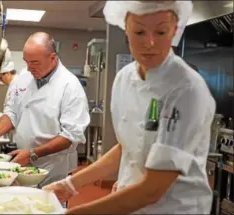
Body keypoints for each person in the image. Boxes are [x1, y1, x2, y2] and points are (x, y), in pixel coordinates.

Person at [43, 1, 216, 214]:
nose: (150, 42)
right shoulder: (124, 79)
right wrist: (69, 185)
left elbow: (152, 190)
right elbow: (127, 147)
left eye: (161, 31)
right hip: (130, 203)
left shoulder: (187, 89)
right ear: (126, 30)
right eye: (139, 32)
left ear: (174, 31)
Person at [0, 32, 90, 187]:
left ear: (53, 58)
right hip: (23, 161)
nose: (29, 68)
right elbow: (12, 112)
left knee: (47, 206)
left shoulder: (70, 86)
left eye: (35, 63)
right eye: (26, 62)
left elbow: (70, 136)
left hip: (53, 167)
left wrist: (33, 154)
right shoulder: (24, 77)